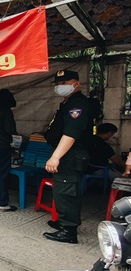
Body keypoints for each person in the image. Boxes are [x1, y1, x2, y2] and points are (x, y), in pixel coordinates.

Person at [43, 69, 95, 244]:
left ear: (76, 84)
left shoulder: (77, 105)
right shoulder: (67, 103)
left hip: (71, 154)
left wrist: (56, 156)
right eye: (58, 84)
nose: (60, 87)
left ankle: (69, 231)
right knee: (62, 191)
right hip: (67, 153)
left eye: (64, 83)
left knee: (67, 191)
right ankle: (63, 223)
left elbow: (71, 133)